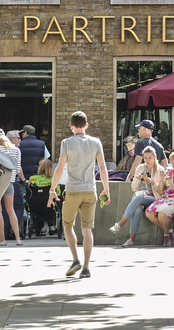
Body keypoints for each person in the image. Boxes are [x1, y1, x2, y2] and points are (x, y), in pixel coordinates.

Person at [48, 111, 110, 278]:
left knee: (67, 225)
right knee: (87, 229)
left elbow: (60, 168)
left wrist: (52, 190)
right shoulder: (95, 142)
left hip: (73, 190)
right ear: (86, 125)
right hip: (90, 190)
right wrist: (106, 189)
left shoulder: (66, 142)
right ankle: (86, 267)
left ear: (71, 126)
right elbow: (103, 168)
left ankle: (75, 259)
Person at [109, 145, 164, 248]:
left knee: (139, 198)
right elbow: (134, 188)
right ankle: (131, 239)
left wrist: (151, 182)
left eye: (150, 158)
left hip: (154, 198)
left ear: (155, 157)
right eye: (145, 158)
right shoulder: (140, 168)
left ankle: (120, 224)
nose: (147, 160)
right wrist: (137, 179)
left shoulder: (159, 170)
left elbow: (160, 190)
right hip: (140, 196)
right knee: (138, 208)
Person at [0, 129, 24, 247]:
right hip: (10, 182)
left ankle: (2, 239)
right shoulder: (16, 150)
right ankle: (18, 239)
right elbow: (18, 167)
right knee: (11, 210)